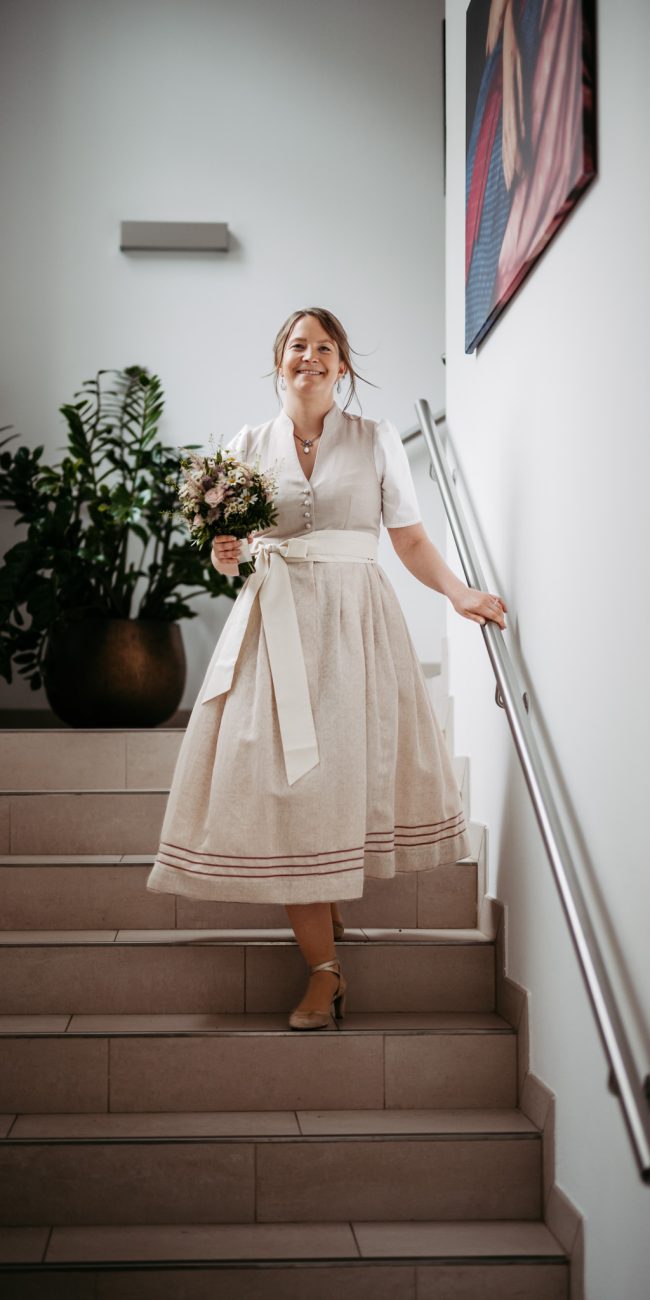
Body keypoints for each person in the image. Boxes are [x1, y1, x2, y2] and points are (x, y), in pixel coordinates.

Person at [146, 307, 507, 1030]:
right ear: (279, 359)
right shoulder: (248, 444)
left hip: (355, 632)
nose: (308, 356)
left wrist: (461, 591)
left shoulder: (374, 441)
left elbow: (405, 540)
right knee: (289, 792)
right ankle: (325, 971)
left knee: (334, 781)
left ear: (343, 364)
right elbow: (235, 548)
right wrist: (226, 553)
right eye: (296, 345)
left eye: (324, 347)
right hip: (272, 635)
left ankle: (324, 922)